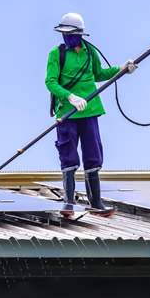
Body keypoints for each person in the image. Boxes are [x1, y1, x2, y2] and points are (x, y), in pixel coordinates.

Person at [45, 12, 136, 217]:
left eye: (71, 34)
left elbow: (99, 74)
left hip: (90, 110)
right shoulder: (56, 54)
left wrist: (121, 69)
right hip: (68, 111)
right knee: (68, 154)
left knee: (93, 154)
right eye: (64, 34)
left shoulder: (89, 52)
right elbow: (50, 82)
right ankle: (68, 203)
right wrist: (70, 97)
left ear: (80, 34)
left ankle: (95, 202)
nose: (67, 38)